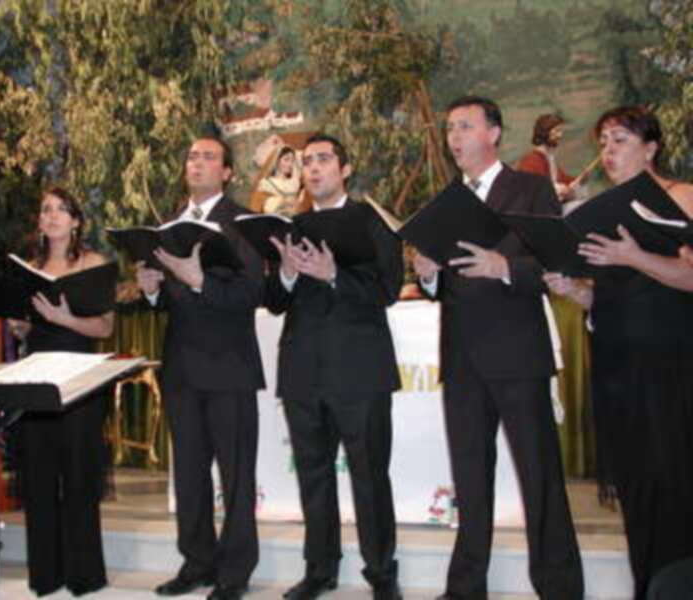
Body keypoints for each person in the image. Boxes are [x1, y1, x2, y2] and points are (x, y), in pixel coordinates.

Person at [411, 96, 584, 600]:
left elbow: (556, 266)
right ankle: (465, 587)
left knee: (540, 476)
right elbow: (444, 281)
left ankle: (558, 586)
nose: (454, 138)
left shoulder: (529, 189)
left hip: (517, 353)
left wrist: (504, 267)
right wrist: (427, 277)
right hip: (462, 358)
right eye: (449, 130)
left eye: (465, 126)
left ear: (494, 133)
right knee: (469, 476)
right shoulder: (447, 200)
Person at [544, 106, 693, 600]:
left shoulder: (683, 197)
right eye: (603, 141)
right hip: (616, 363)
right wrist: (574, 291)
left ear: (651, 146)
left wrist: (633, 256)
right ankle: (647, 586)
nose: (607, 151)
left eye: (620, 140)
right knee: (636, 486)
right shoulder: (605, 212)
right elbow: (609, 295)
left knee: (675, 482)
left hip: (671, 364)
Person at [265, 133, 403, 600]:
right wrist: (285, 272)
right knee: (313, 475)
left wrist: (333, 276)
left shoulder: (372, 221)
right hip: (303, 369)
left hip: (359, 370)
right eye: (307, 161)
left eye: (323, 159)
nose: (314, 168)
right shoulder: (291, 225)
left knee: (369, 475)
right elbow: (274, 300)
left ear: (344, 169)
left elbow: (387, 288)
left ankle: (382, 572)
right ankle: (319, 569)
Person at [135, 137, 265, 600]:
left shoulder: (242, 224)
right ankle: (196, 562)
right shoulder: (169, 226)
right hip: (182, 368)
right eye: (191, 155)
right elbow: (166, 301)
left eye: (209, 156)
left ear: (227, 172)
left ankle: (234, 573)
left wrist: (199, 280)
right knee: (189, 476)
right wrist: (150, 289)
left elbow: (251, 294)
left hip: (229, 367)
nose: (198, 162)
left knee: (235, 477)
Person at [8, 186, 115, 597]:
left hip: (79, 375)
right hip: (37, 374)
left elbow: (104, 327)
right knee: (38, 474)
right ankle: (45, 575)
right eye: (45, 210)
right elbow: (23, 325)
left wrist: (64, 318)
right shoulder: (29, 268)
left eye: (61, 210)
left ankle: (84, 574)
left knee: (78, 474)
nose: (51, 216)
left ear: (75, 221)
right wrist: (22, 328)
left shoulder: (93, 264)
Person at [518, 113, 593, 479]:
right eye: (556, 130)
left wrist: (571, 190)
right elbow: (535, 200)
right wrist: (558, 193)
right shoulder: (531, 163)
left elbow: (561, 185)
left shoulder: (550, 162)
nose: (560, 135)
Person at [517, 114, 578, 203]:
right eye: (557, 131)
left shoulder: (549, 158)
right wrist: (559, 189)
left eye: (560, 131)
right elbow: (534, 189)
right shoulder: (531, 161)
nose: (560, 135)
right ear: (545, 132)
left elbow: (562, 179)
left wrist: (577, 181)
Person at [253, 145, 303, 217]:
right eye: (286, 159)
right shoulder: (267, 183)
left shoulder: (294, 182)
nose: (290, 164)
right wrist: (283, 202)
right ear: (277, 160)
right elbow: (264, 206)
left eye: (292, 161)